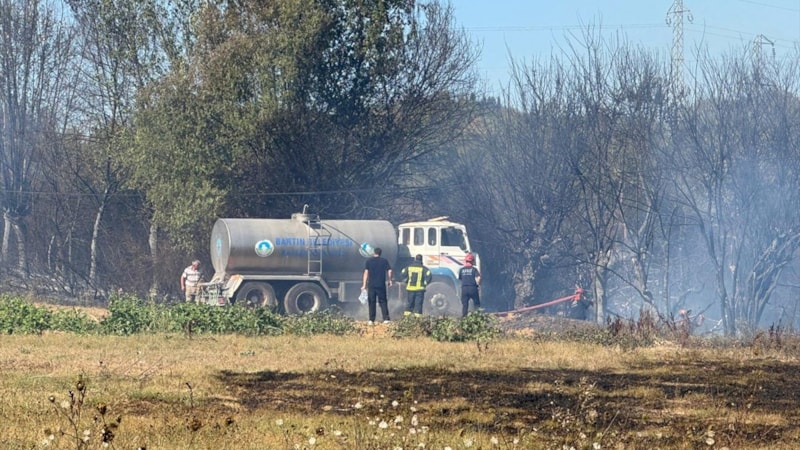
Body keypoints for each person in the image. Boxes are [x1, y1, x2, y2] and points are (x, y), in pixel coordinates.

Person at [361, 247, 393, 324]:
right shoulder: (384, 261)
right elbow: (390, 270)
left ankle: (371, 320)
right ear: (380, 253)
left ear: (374, 253)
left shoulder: (369, 261)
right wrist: (390, 280)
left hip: (371, 285)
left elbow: (366, 273)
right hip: (381, 284)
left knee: (372, 301)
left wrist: (364, 285)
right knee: (383, 301)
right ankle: (386, 319)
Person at [458, 253, 481, 317]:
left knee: (465, 305)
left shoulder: (461, 270)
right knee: (476, 304)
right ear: (472, 261)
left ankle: (464, 318)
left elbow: (460, 279)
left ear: (465, 261)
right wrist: (477, 285)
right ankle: (477, 318)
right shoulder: (474, 269)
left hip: (464, 289)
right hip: (473, 288)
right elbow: (478, 278)